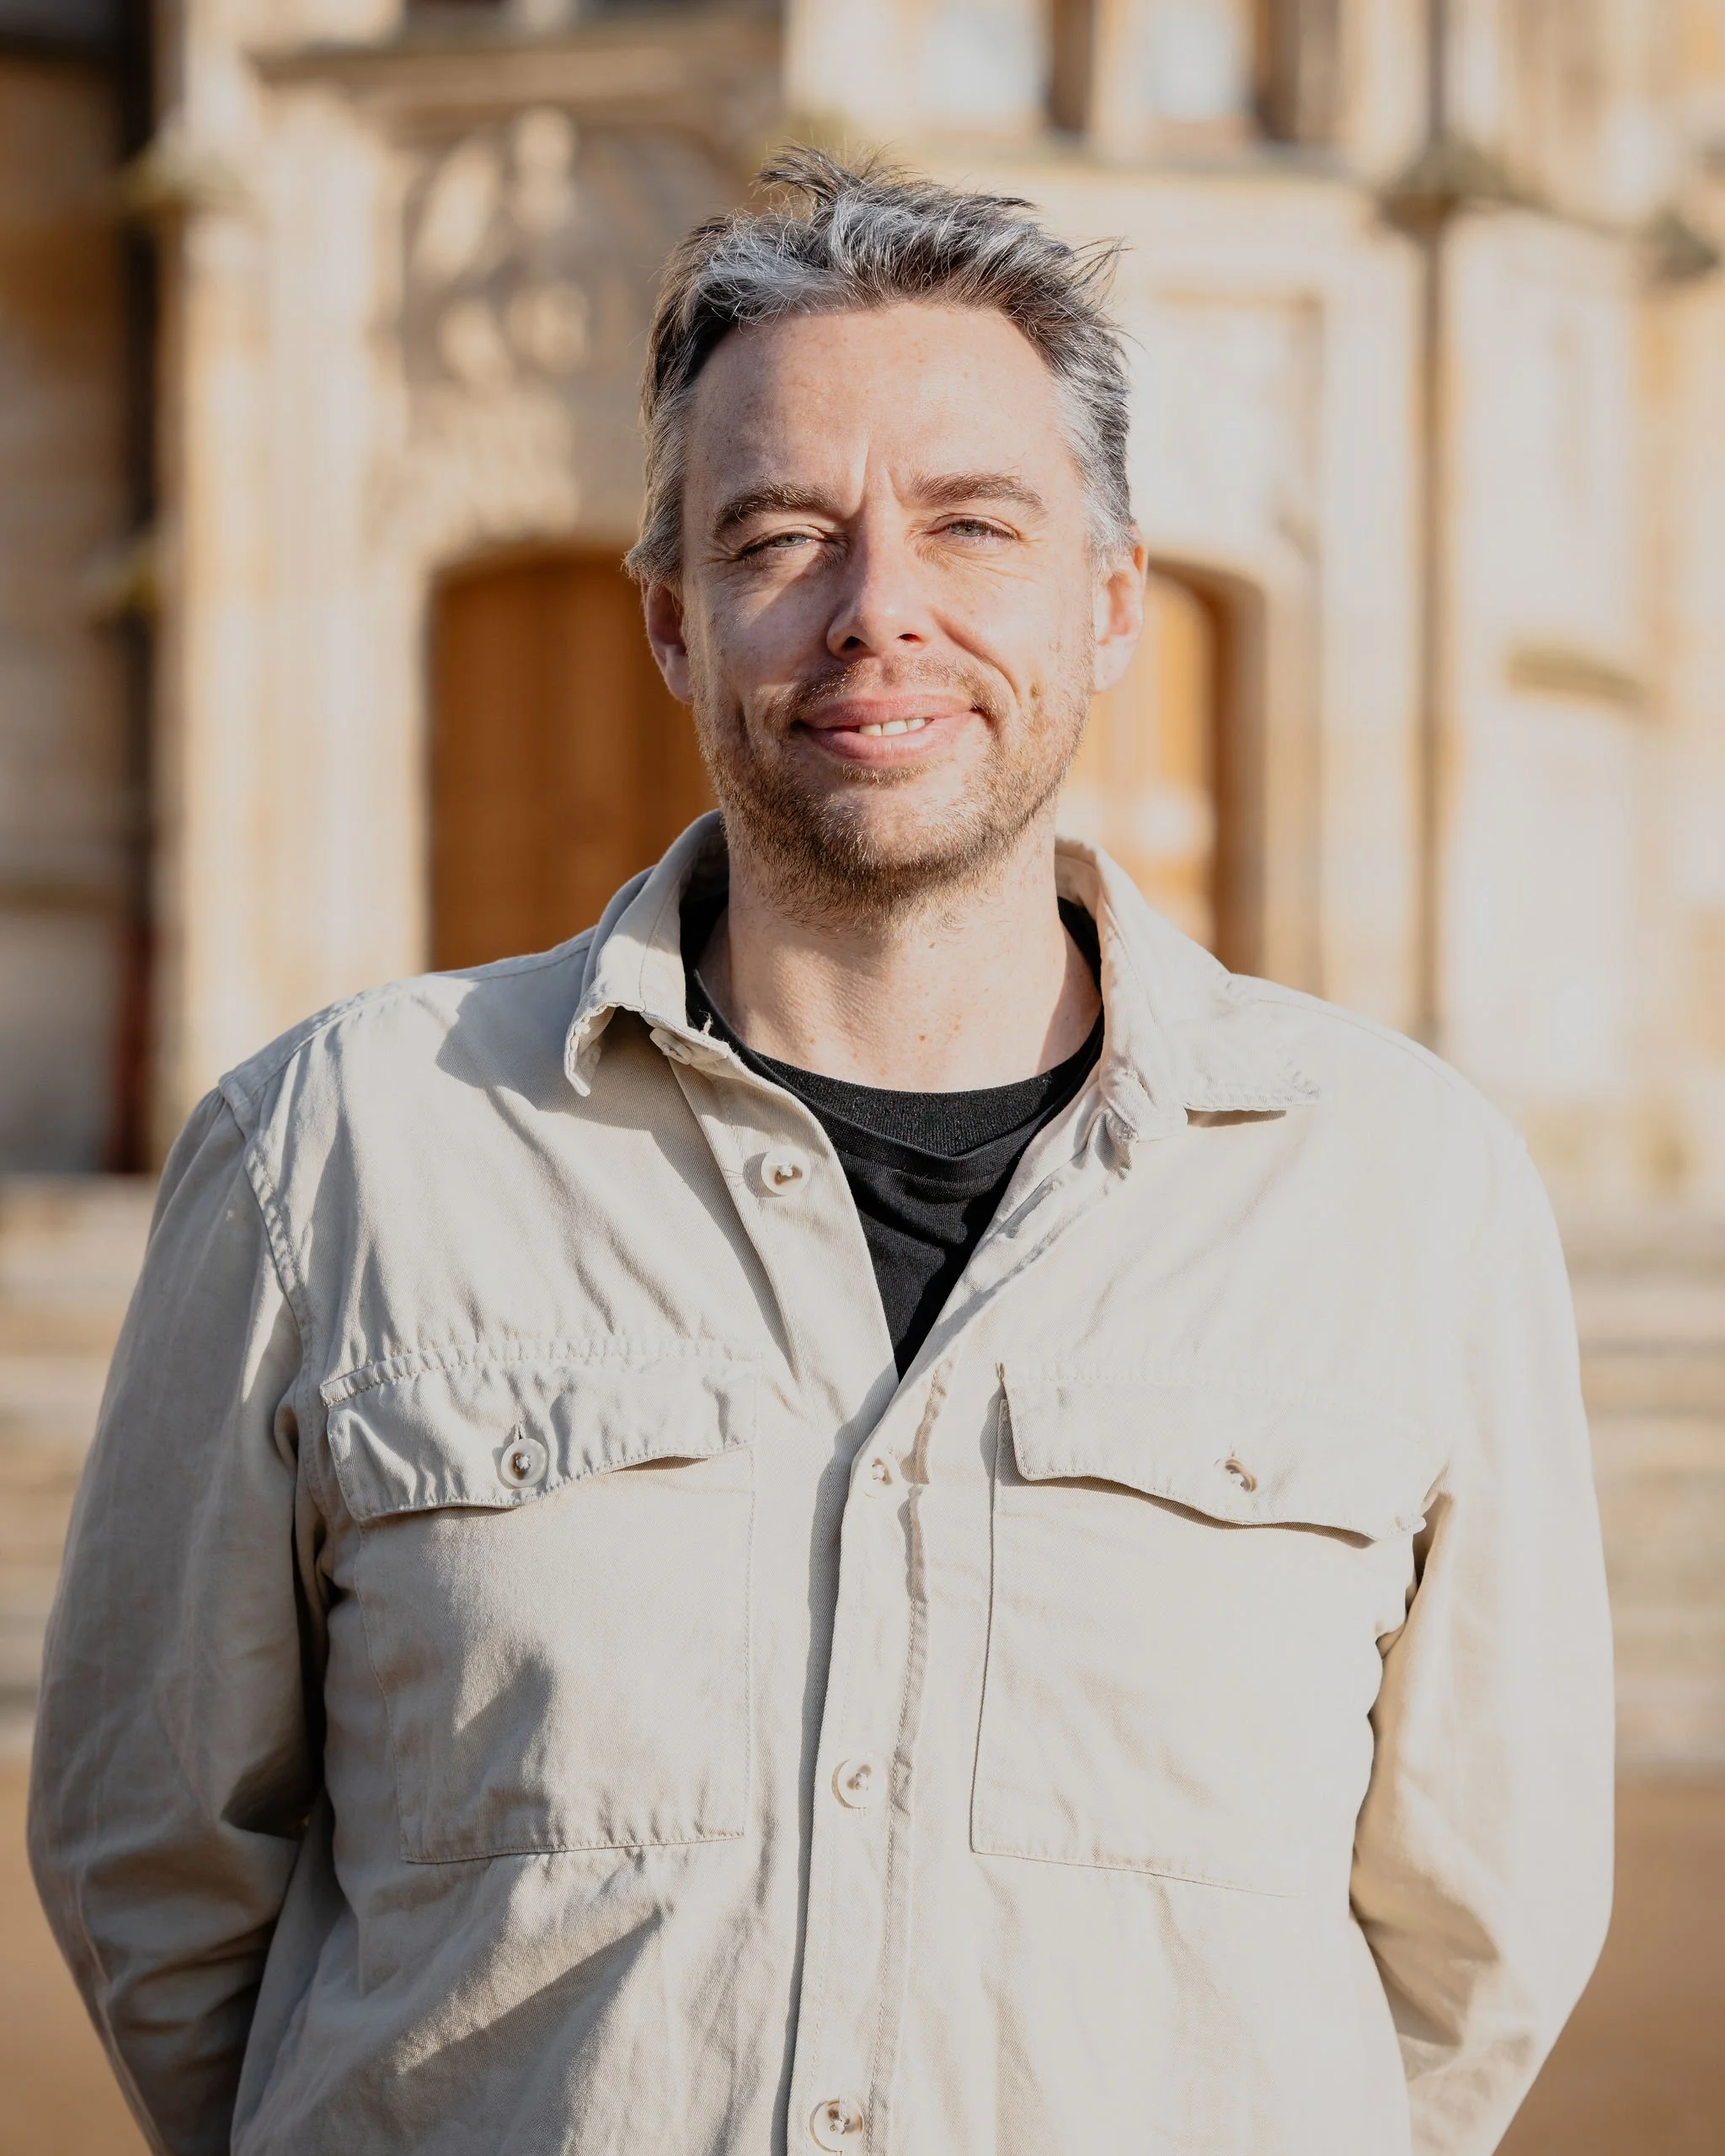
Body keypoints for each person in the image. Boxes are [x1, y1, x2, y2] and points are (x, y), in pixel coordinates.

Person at [30, 150, 1612, 2156]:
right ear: (672, 622)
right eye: (781, 535)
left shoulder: (1403, 1190)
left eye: (973, 525)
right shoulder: (327, 1155)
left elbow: (1478, 1942)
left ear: (1111, 602)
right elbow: (156, 1869)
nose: (880, 613)